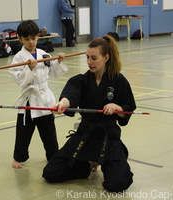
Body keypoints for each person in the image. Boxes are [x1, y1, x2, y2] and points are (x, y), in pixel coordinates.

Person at [42, 35, 136, 192]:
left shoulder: (119, 81)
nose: (89, 62)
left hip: (108, 135)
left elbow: (128, 107)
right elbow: (71, 95)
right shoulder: (82, 80)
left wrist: (117, 107)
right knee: (51, 173)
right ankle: (84, 165)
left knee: (116, 184)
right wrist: (62, 104)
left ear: (106, 57)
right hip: (85, 133)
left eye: (94, 58)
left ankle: (118, 154)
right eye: (87, 57)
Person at [9, 20, 68, 169]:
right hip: (29, 99)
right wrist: (29, 69)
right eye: (26, 39)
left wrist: (59, 61)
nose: (30, 42)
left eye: (33, 38)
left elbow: (55, 72)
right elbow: (21, 81)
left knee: (49, 131)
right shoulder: (18, 58)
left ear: (38, 37)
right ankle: (18, 157)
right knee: (23, 132)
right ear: (20, 39)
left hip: (44, 99)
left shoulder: (44, 54)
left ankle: (53, 155)